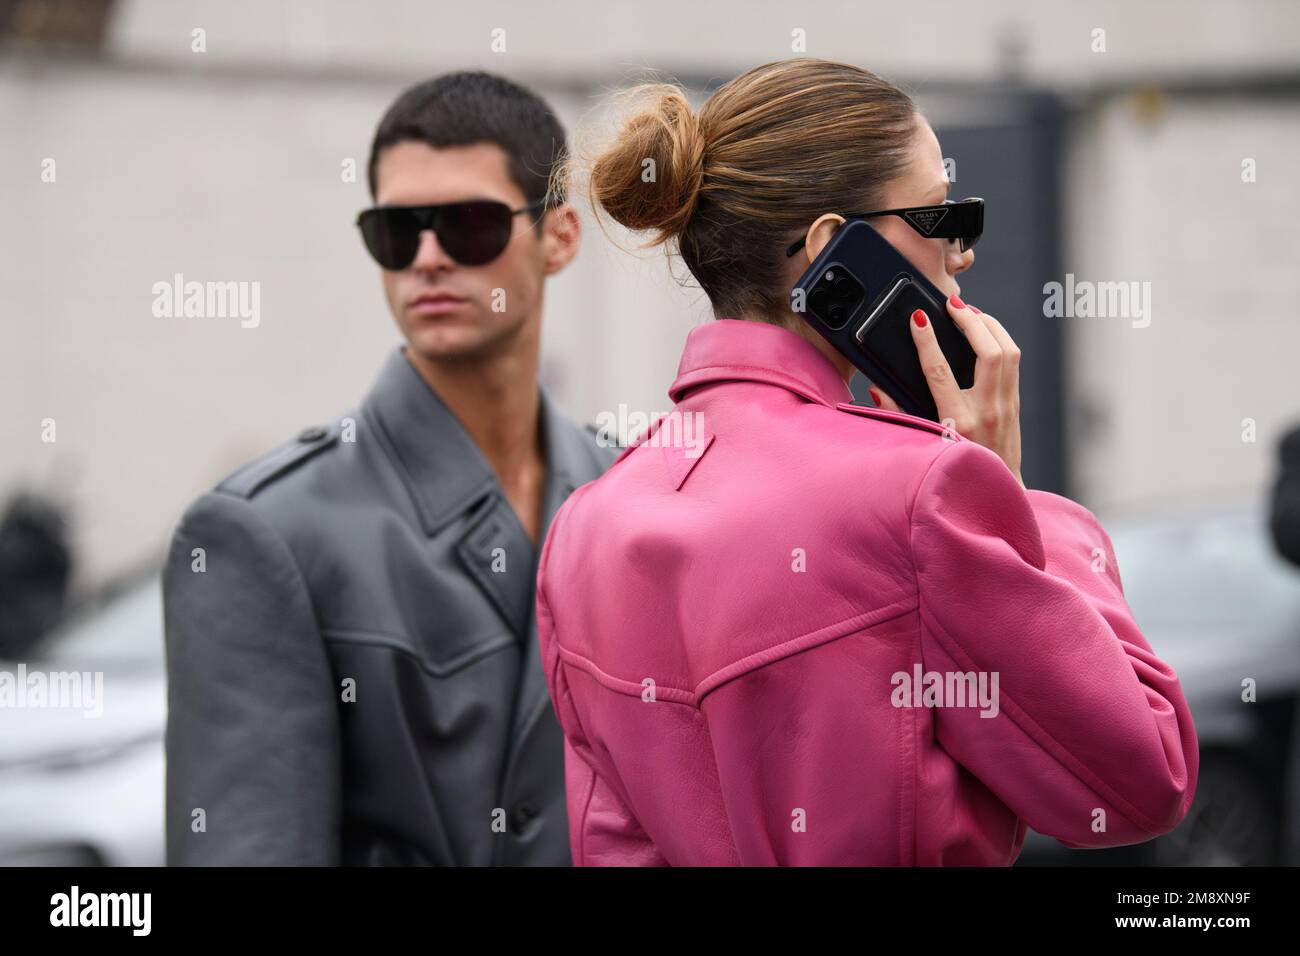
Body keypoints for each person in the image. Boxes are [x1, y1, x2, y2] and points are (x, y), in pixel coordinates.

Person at [534, 58, 1199, 865]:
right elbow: (1141, 778)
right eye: (943, 216)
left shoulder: (583, 528)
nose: (963, 253)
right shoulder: (925, 491)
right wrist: (1015, 499)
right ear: (831, 254)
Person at [163, 72, 614, 865]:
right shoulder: (265, 532)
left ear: (561, 237)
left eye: (470, 226)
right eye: (397, 232)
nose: (430, 258)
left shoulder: (626, 499)